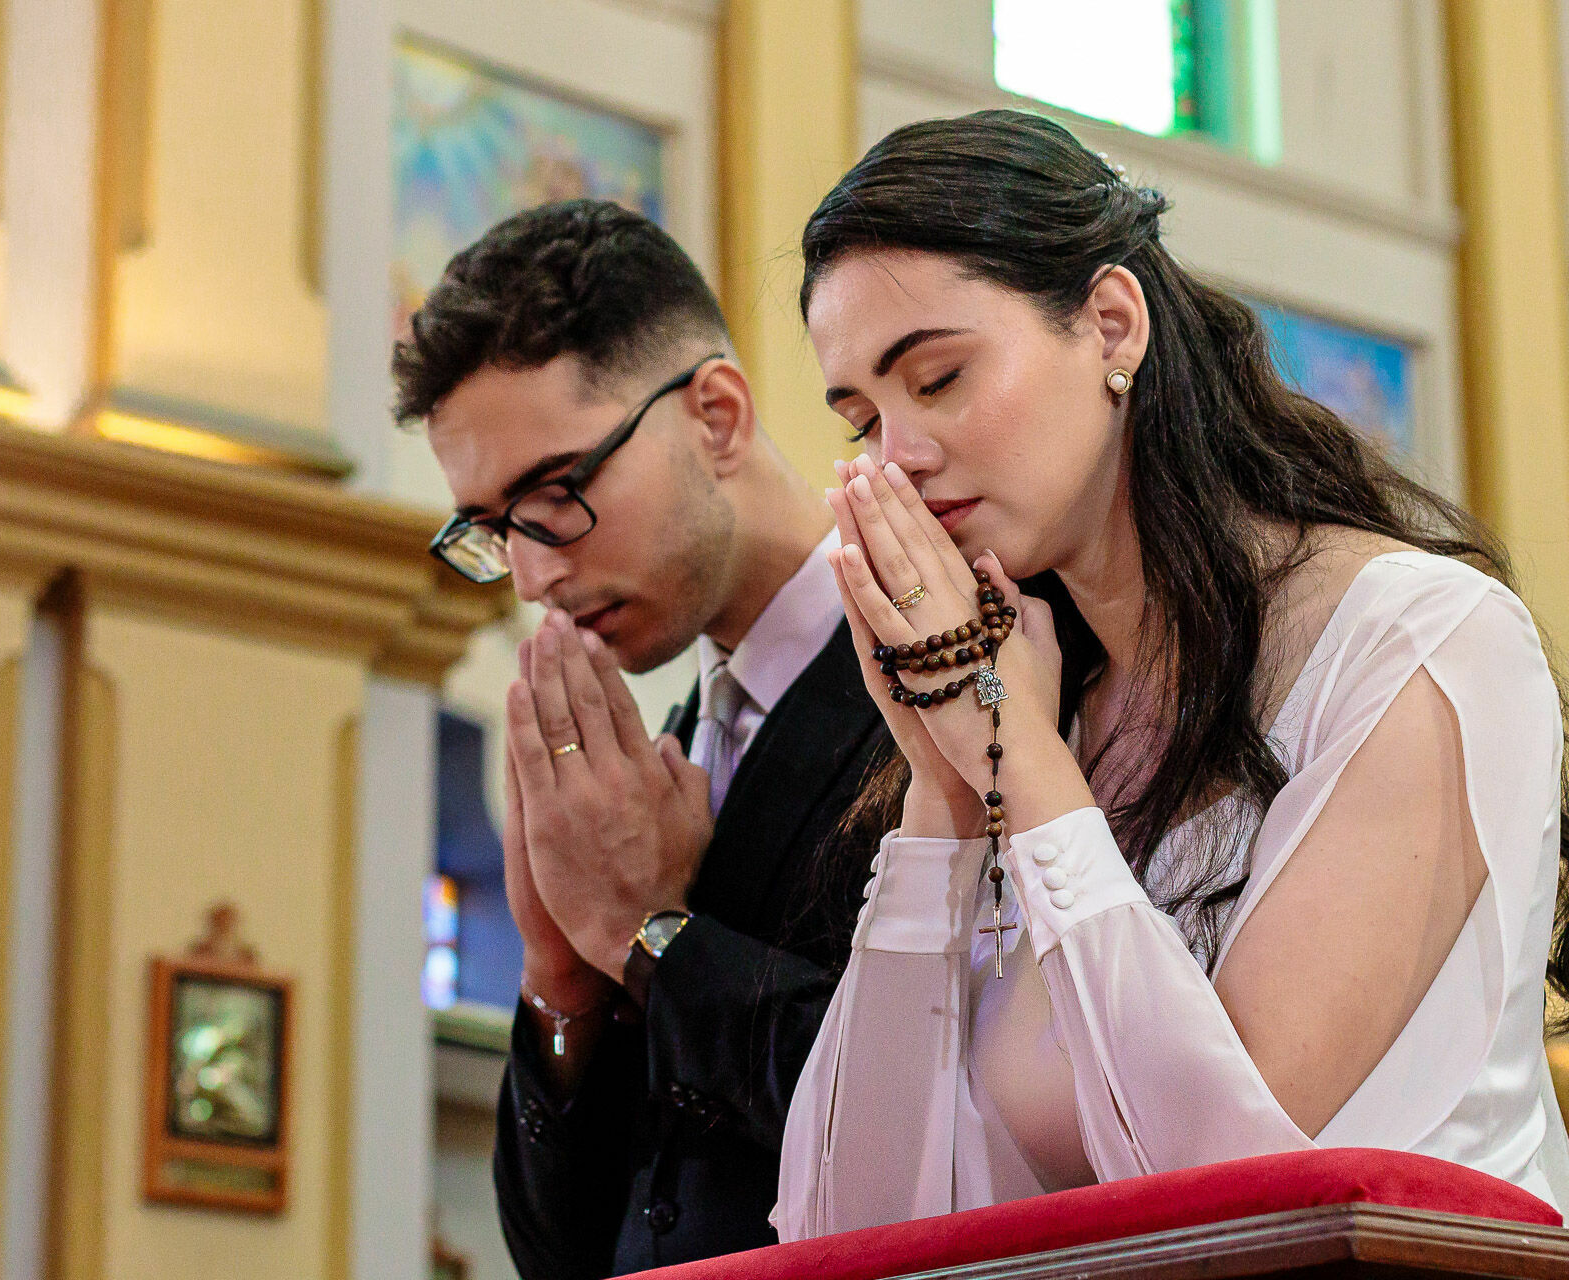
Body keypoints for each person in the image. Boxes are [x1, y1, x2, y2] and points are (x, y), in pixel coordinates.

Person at [772, 110, 1569, 1239]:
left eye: (938, 378)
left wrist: (1024, 762)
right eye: (862, 418)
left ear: (1111, 324)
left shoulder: (1422, 640)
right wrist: (944, 797)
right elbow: (846, 1222)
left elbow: (1233, 1191)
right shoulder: (1044, 693)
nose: (896, 453)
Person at [393, 199, 891, 1277]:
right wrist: (559, 973)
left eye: (557, 493)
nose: (531, 573)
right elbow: (567, 1254)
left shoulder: (928, 684)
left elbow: (940, 1114)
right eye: (489, 526)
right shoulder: (659, 754)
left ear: (715, 415)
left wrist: (650, 929)